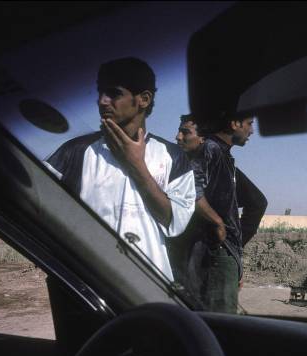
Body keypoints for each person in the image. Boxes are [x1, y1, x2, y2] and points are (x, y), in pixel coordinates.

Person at [44, 57, 196, 281]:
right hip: (87, 287)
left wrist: (136, 166)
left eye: (114, 93)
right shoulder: (75, 152)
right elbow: (38, 206)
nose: (102, 101)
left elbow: (174, 222)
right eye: (100, 93)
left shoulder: (172, 156)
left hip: (148, 286)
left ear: (143, 99)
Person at [173, 113, 267, 313]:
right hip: (212, 253)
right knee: (221, 326)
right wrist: (218, 225)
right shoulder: (211, 149)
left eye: (184, 132)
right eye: (249, 124)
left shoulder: (222, 156)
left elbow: (256, 202)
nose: (251, 130)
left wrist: (233, 252)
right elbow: (192, 191)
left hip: (220, 253)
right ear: (234, 123)